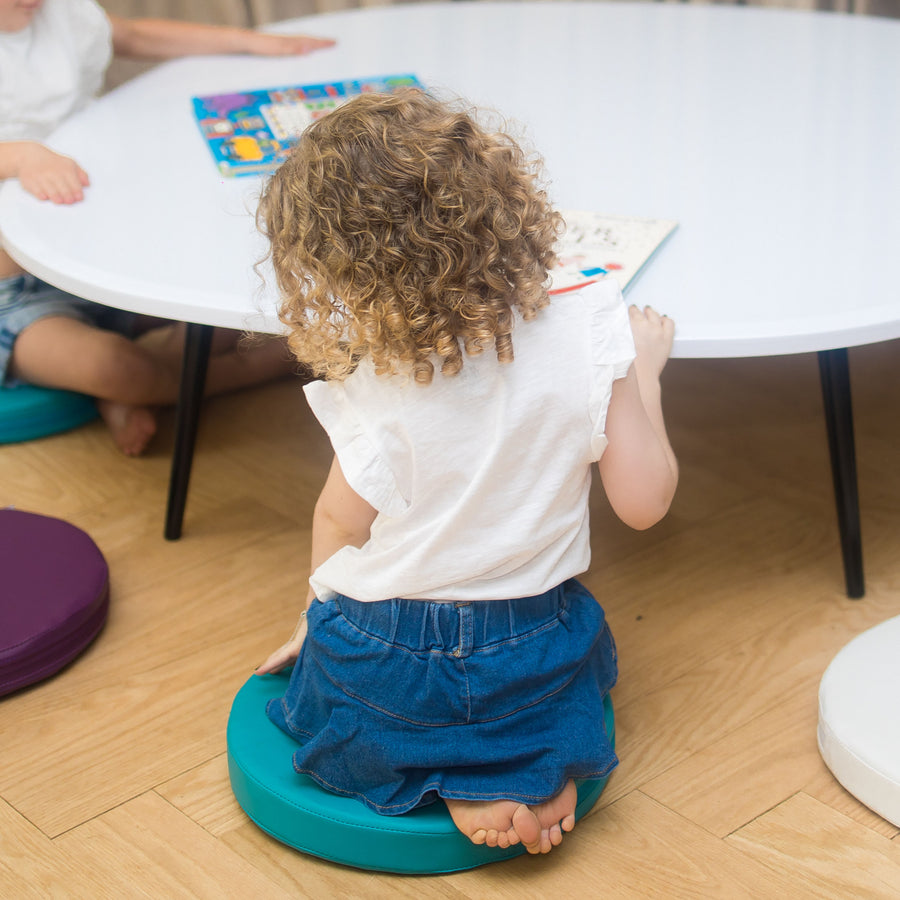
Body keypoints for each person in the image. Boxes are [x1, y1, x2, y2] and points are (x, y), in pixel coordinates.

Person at [255, 90, 678, 855]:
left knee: (345, 686)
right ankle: (524, 756)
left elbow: (341, 523)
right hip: (531, 642)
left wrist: (312, 621)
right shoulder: (592, 326)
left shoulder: (371, 374)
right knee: (566, 662)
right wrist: (643, 372)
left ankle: (446, 771)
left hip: (383, 655)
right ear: (503, 201)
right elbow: (645, 503)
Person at [0, 0, 335, 455]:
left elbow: (135, 35)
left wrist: (251, 43)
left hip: (102, 256)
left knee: (223, 309)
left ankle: (140, 392)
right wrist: (20, 156)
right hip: (14, 296)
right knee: (115, 369)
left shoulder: (59, 13)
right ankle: (271, 364)